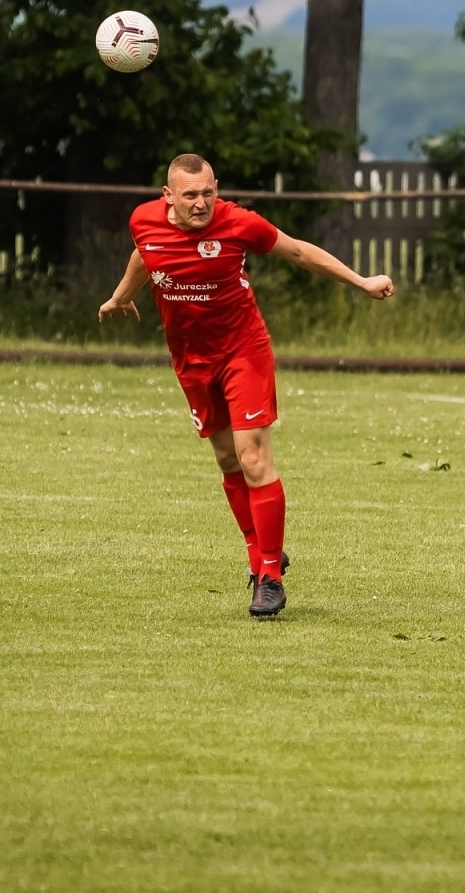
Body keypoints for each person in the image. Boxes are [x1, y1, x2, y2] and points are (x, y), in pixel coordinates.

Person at [98, 153, 395, 617]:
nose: (201, 204)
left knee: (253, 456)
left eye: (208, 193)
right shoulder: (144, 220)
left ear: (217, 188)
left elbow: (297, 251)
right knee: (225, 458)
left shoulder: (238, 223)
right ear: (168, 196)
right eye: (190, 195)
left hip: (244, 352)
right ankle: (259, 556)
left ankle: (270, 577)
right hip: (191, 361)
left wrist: (360, 281)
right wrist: (121, 296)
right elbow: (143, 253)